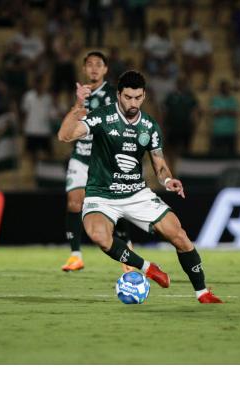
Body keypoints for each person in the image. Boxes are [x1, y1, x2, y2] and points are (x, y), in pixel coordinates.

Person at [58, 70, 223, 304]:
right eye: (127, 97)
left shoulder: (149, 126)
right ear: (118, 95)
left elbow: (159, 164)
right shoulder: (102, 117)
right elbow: (64, 136)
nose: (133, 103)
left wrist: (168, 181)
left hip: (137, 193)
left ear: (144, 95)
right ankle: (148, 268)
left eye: (137, 97)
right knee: (99, 236)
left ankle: (203, 292)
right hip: (101, 194)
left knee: (180, 236)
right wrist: (77, 106)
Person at [61, 51, 133, 273]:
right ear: (84, 69)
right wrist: (78, 103)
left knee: (114, 211)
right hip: (81, 156)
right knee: (74, 202)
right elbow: (69, 127)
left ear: (105, 69)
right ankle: (75, 256)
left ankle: (127, 251)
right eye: (89, 64)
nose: (93, 68)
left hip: (104, 159)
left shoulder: (114, 94)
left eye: (98, 65)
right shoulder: (80, 93)